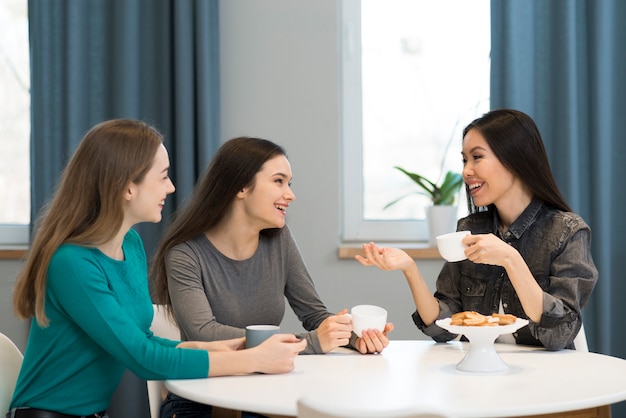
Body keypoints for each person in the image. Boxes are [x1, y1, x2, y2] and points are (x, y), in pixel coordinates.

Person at [8, 120, 306, 418]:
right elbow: (142, 358)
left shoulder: (131, 245)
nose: (172, 187)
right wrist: (253, 360)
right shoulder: (72, 263)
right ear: (127, 187)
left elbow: (143, 339)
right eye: (163, 176)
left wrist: (223, 348)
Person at [151, 136, 394, 417]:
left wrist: (352, 337)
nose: (290, 194)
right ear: (241, 186)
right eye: (279, 181)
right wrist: (311, 342)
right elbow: (205, 333)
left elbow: (314, 314)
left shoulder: (279, 240)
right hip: (201, 399)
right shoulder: (185, 254)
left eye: (289, 183)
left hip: (265, 389)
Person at [356, 108, 598, 351]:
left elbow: (559, 333)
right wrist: (409, 268)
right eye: (464, 160)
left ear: (515, 159)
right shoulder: (469, 229)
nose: (466, 171)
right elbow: (443, 326)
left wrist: (510, 259)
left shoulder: (567, 232)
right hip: (484, 373)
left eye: (477, 157)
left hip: (548, 378)